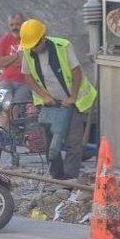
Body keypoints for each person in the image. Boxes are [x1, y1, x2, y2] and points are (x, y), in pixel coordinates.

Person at [18, 19, 97, 180]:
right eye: (31, 46)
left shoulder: (63, 46)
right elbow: (27, 76)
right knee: (48, 142)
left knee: (73, 141)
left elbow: (76, 72)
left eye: (36, 45)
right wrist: (44, 96)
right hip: (49, 102)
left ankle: (70, 179)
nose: (33, 49)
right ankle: (57, 175)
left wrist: (72, 97)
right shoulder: (28, 50)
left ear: (44, 38)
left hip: (72, 101)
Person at [0, 13, 32, 119]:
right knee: (0, 108)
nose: (14, 27)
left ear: (23, 25)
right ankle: (1, 133)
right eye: (11, 25)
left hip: (25, 82)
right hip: (5, 80)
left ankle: (13, 134)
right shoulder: (5, 39)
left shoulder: (30, 39)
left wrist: (7, 60)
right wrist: (16, 56)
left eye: (17, 24)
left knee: (17, 112)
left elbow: (26, 62)